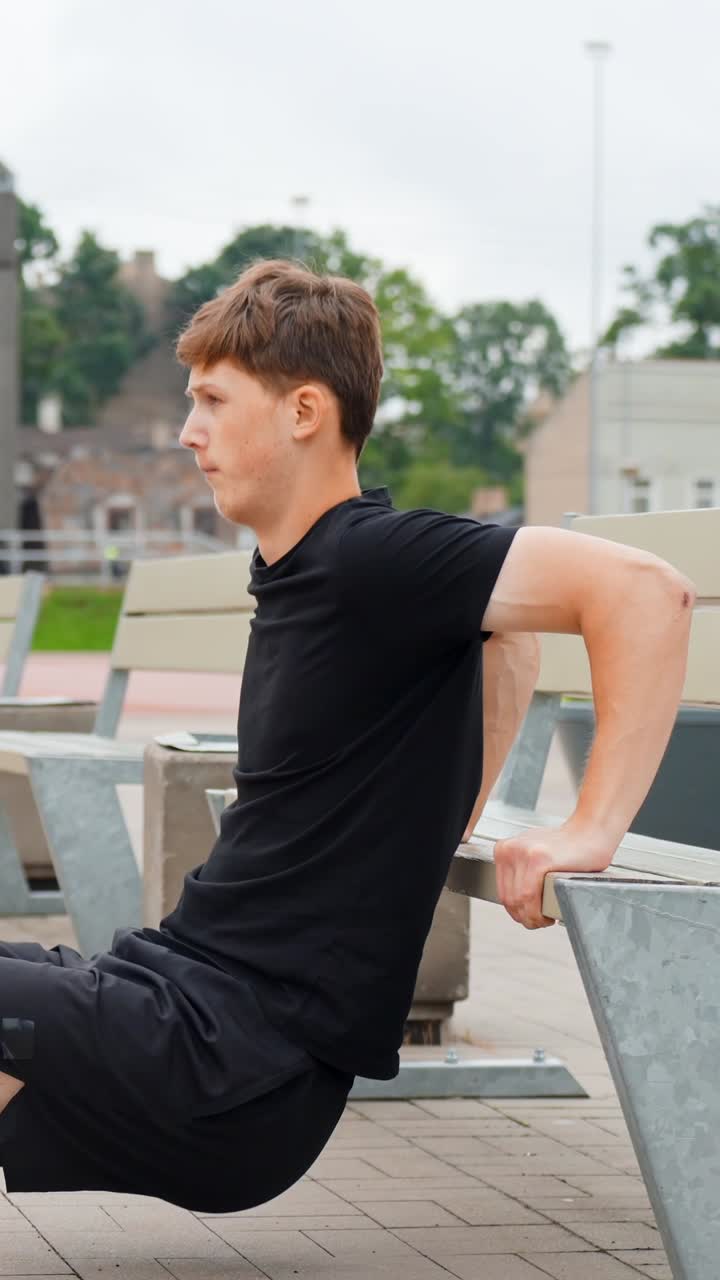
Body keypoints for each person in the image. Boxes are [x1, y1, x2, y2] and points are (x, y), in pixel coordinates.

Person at [0, 260, 695, 1213]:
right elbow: (514, 644)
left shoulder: (369, 557)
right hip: (184, 996)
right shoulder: (313, 570)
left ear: (304, 412)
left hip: (233, 1059)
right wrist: (445, 812)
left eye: (211, 399)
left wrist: (591, 826)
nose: (186, 431)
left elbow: (647, 592)